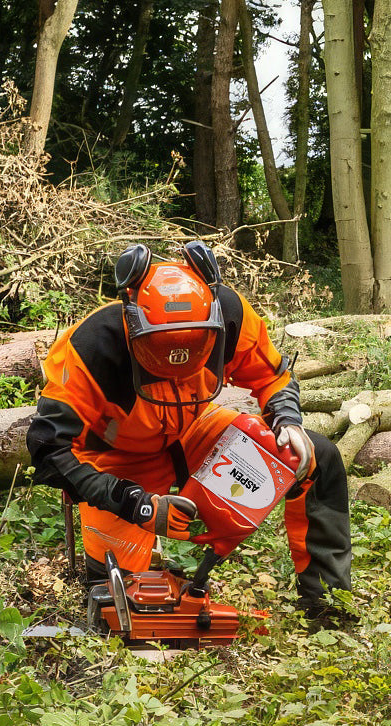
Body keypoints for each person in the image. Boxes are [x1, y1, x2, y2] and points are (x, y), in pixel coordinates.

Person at [26, 240, 352, 626]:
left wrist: (287, 419)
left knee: (316, 456)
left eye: (191, 347)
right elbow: (48, 451)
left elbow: (272, 375)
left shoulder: (228, 313)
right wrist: (134, 503)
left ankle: (326, 604)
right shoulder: (92, 346)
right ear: (133, 324)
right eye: (162, 350)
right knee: (120, 611)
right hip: (119, 460)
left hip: (196, 433)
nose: (176, 361)